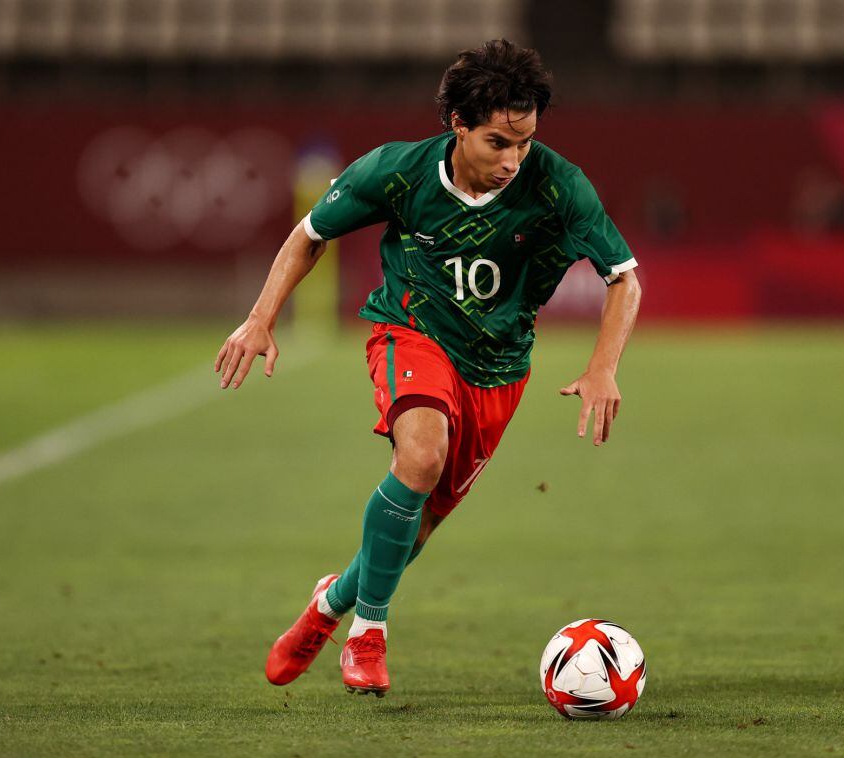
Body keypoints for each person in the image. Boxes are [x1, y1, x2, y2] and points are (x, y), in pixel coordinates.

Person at [214, 39, 641, 697]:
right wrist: (261, 315)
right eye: (499, 142)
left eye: (525, 142)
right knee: (419, 456)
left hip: (498, 368)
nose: (513, 160)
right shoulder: (397, 172)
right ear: (459, 125)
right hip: (410, 333)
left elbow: (624, 278)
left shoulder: (557, 184)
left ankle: (330, 604)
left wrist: (602, 365)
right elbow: (310, 234)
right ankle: (368, 634)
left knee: (413, 528)